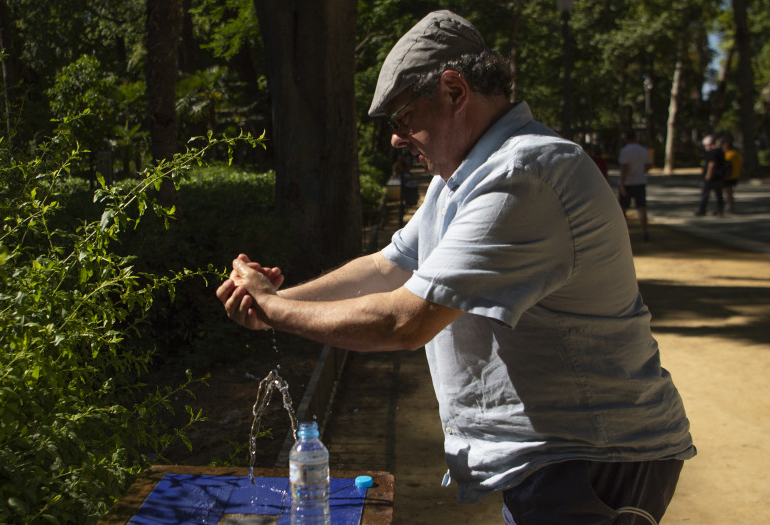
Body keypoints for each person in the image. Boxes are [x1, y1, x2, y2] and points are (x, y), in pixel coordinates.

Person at [216, 10, 694, 524]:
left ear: (454, 91)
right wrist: (278, 300)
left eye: (401, 118)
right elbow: (388, 266)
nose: (396, 139)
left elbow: (405, 320)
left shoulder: (520, 175)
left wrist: (272, 309)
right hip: (559, 458)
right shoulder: (459, 179)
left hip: (592, 458)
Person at [618, 130, 653, 241]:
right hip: (640, 181)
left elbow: (625, 168)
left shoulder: (625, 151)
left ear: (626, 139)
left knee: (623, 209)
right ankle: (644, 231)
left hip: (628, 182)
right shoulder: (643, 150)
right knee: (641, 208)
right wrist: (640, 171)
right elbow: (649, 164)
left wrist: (622, 183)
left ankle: (624, 234)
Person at [695, 135, 726, 216]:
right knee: (719, 194)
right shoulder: (720, 151)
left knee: (705, 194)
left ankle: (702, 210)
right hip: (719, 176)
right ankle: (720, 210)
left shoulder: (712, 152)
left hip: (712, 177)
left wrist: (708, 174)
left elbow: (712, 164)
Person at [721, 138, 742, 213]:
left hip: (728, 176)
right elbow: (740, 166)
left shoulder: (728, 155)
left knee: (728, 192)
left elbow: (725, 166)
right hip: (735, 175)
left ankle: (730, 205)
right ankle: (731, 204)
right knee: (730, 191)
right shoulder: (737, 154)